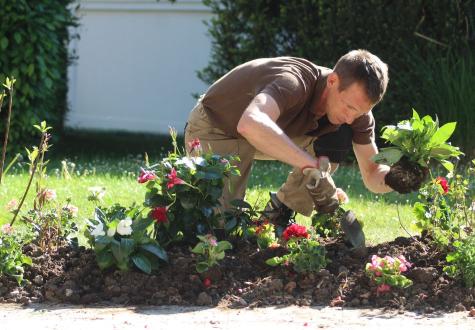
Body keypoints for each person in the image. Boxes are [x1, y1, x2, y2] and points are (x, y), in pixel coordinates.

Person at [184, 49, 400, 245]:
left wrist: (396, 178)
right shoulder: (294, 81)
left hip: (267, 131)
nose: (351, 117)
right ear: (333, 81)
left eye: (360, 112)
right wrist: (310, 165)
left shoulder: (356, 112)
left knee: (338, 136)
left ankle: (278, 211)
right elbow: (250, 123)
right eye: (349, 107)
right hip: (217, 128)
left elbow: (372, 175)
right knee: (219, 232)